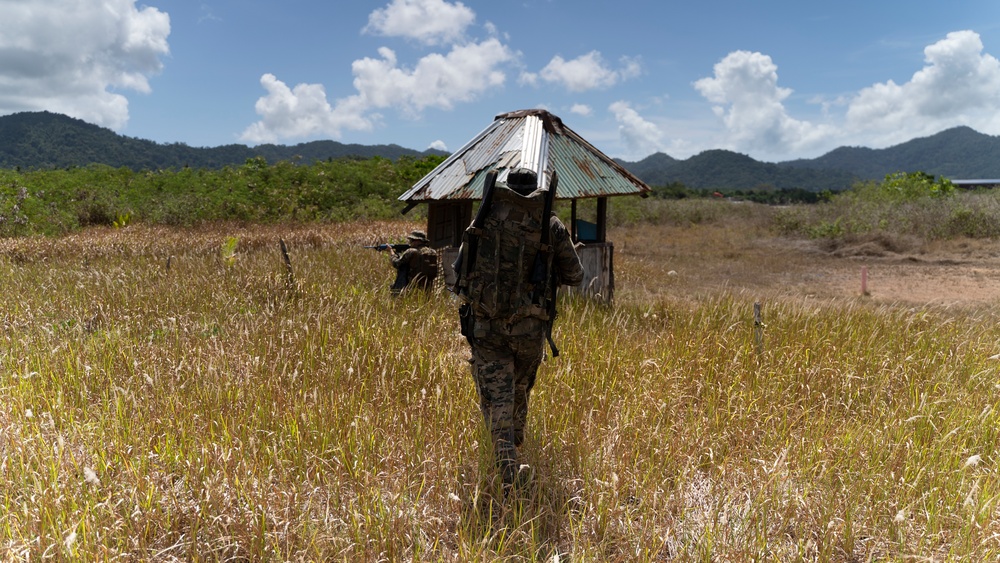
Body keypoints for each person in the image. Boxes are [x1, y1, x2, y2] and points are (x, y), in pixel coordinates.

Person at [456, 168, 584, 489]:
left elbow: (462, 267)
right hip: (530, 329)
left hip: (486, 325)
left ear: (507, 188)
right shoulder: (550, 224)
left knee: (496, 395)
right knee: (518, 390)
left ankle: (507, 464)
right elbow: (575, 275)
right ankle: (511, 460)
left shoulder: (485, 216)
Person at [388, 230, 439, 294]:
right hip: (427, 288)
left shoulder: (411, 251)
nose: (410, 243)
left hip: (412, 288)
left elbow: (396, 263)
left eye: (411, 240)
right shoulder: (432, 252)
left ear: (417, 241)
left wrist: (391, 252)